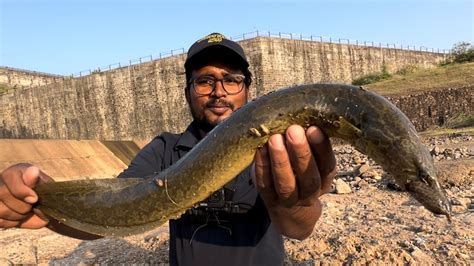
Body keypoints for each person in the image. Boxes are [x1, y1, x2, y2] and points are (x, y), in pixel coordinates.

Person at [0, 33, 337, 265]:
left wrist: (297, 207)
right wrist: (44, 208)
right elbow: (113, 211)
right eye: (204, 80)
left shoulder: (274, 148)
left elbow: (299, 228)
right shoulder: (165, 149)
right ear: (188, 90)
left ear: (247, 89)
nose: (218, 91)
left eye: (231, 79)